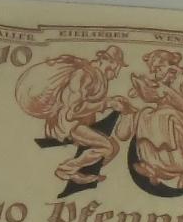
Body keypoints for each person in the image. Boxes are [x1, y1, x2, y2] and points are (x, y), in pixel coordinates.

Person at [14, 45, 128, 187]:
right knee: (106, 147)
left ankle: (79, 171)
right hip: (66, 124)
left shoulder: (96, 78)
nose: (116, 72)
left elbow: (87, 105)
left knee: (114, 147)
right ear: (105, 60)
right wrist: (107, 104)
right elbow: (72, 111)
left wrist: (112, 103)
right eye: (116, 65)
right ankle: (66, 170)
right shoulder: (84, 75)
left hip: (77, 123)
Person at [116, 48, 183, 192]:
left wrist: (169, 92)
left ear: (169, 65)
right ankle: (152, 165)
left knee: (165, 115)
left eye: (158, 69)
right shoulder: (167, 81)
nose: (156, 74)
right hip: (177, 118)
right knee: (146, 114)